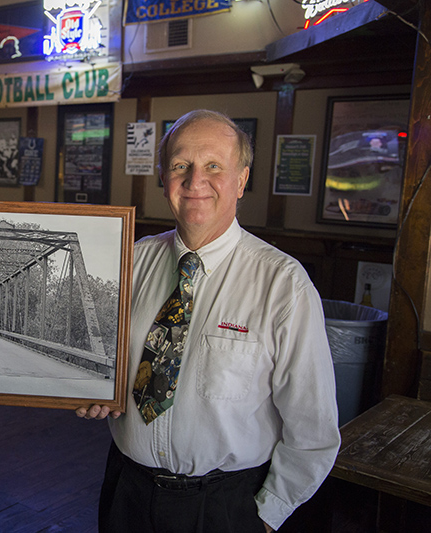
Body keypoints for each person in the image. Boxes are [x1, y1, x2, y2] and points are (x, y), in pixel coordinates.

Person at [77, 110, 340, 532]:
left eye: (214, 166)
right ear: (164, 178)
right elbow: (98, 352)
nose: (195, 180)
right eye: (181, 165)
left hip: (225, 507)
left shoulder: (283, 285)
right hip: (126, 492)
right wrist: (94, 387)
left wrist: (267, 517)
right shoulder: (131, 260)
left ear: (241, 179)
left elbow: (314, 428)